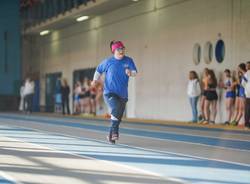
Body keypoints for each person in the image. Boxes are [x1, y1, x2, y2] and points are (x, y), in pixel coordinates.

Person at [91, 40, 137, 144]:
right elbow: (98, 70)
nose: (121, 51)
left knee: (118, 117)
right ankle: (115, 132)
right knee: (115, 109)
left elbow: (135, 72)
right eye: (119, 49)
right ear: (114, 51)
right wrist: (94, 80)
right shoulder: (108, 62)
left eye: (123, 49)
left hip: (123, 94)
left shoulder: (128, 60)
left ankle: (110, 136)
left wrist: (130, 73)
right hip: (109, 92)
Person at [240, 61, 250, 129]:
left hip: (248, 94)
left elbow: (243, 84)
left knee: (247, 109)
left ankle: (247, 125)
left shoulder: (246, 74)